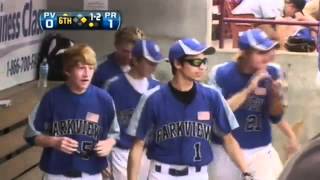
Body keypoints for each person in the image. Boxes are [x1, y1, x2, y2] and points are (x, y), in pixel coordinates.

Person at [127, 38, 252, 180]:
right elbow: (138, 145)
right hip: (162, 174)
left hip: (198, 175)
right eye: (196, 62)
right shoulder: (152, 98)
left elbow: (228, 139)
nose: (202, 67)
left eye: (204, 62)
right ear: (177, 63)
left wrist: (246, 171)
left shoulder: (212, 96)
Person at [208, 28, 300, 180]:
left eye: (268, 51)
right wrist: (249, 89)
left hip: (260, 147)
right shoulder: (222, 73)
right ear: (245, 53)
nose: (266, 56)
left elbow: (276, 117)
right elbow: (219, 115)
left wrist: (275, 95)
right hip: (225, 150)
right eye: (260, 52)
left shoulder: (274, 72)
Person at [24, 44, 120, 180]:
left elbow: (114, 133)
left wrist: (109, 143)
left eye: (91, 68)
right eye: (81, 68)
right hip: (57, 174)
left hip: (91, 174)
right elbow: (30, 134)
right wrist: (53, 142)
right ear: (68, 70)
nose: (87, 73)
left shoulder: (104, 99)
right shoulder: (52, 98)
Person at [105, 39, 166, 180]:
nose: (154, 67)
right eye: (150, 62)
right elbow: (102, 122)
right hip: (121, 151)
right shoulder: (113, 86)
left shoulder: (159, 88)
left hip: (149, 153)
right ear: (136, 60)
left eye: (156, 63)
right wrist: (103, 158)